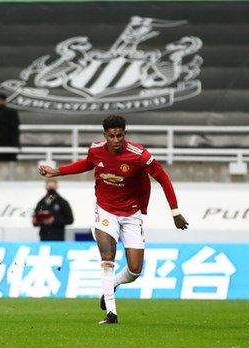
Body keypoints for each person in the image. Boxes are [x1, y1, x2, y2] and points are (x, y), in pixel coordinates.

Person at [38, 115, 188, 324]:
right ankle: (111, 312)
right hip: (105, 211)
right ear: (105, 136)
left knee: (135, 270)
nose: (116, 140)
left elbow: (162, 177)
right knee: (107, 258)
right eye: (111, 136)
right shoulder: (96, 150)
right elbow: (86, 164)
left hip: (132, 213)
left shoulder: (139, 155)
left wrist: (175, 212)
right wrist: (57, 171)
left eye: (119, 135)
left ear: (125, 134)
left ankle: (115, 283)